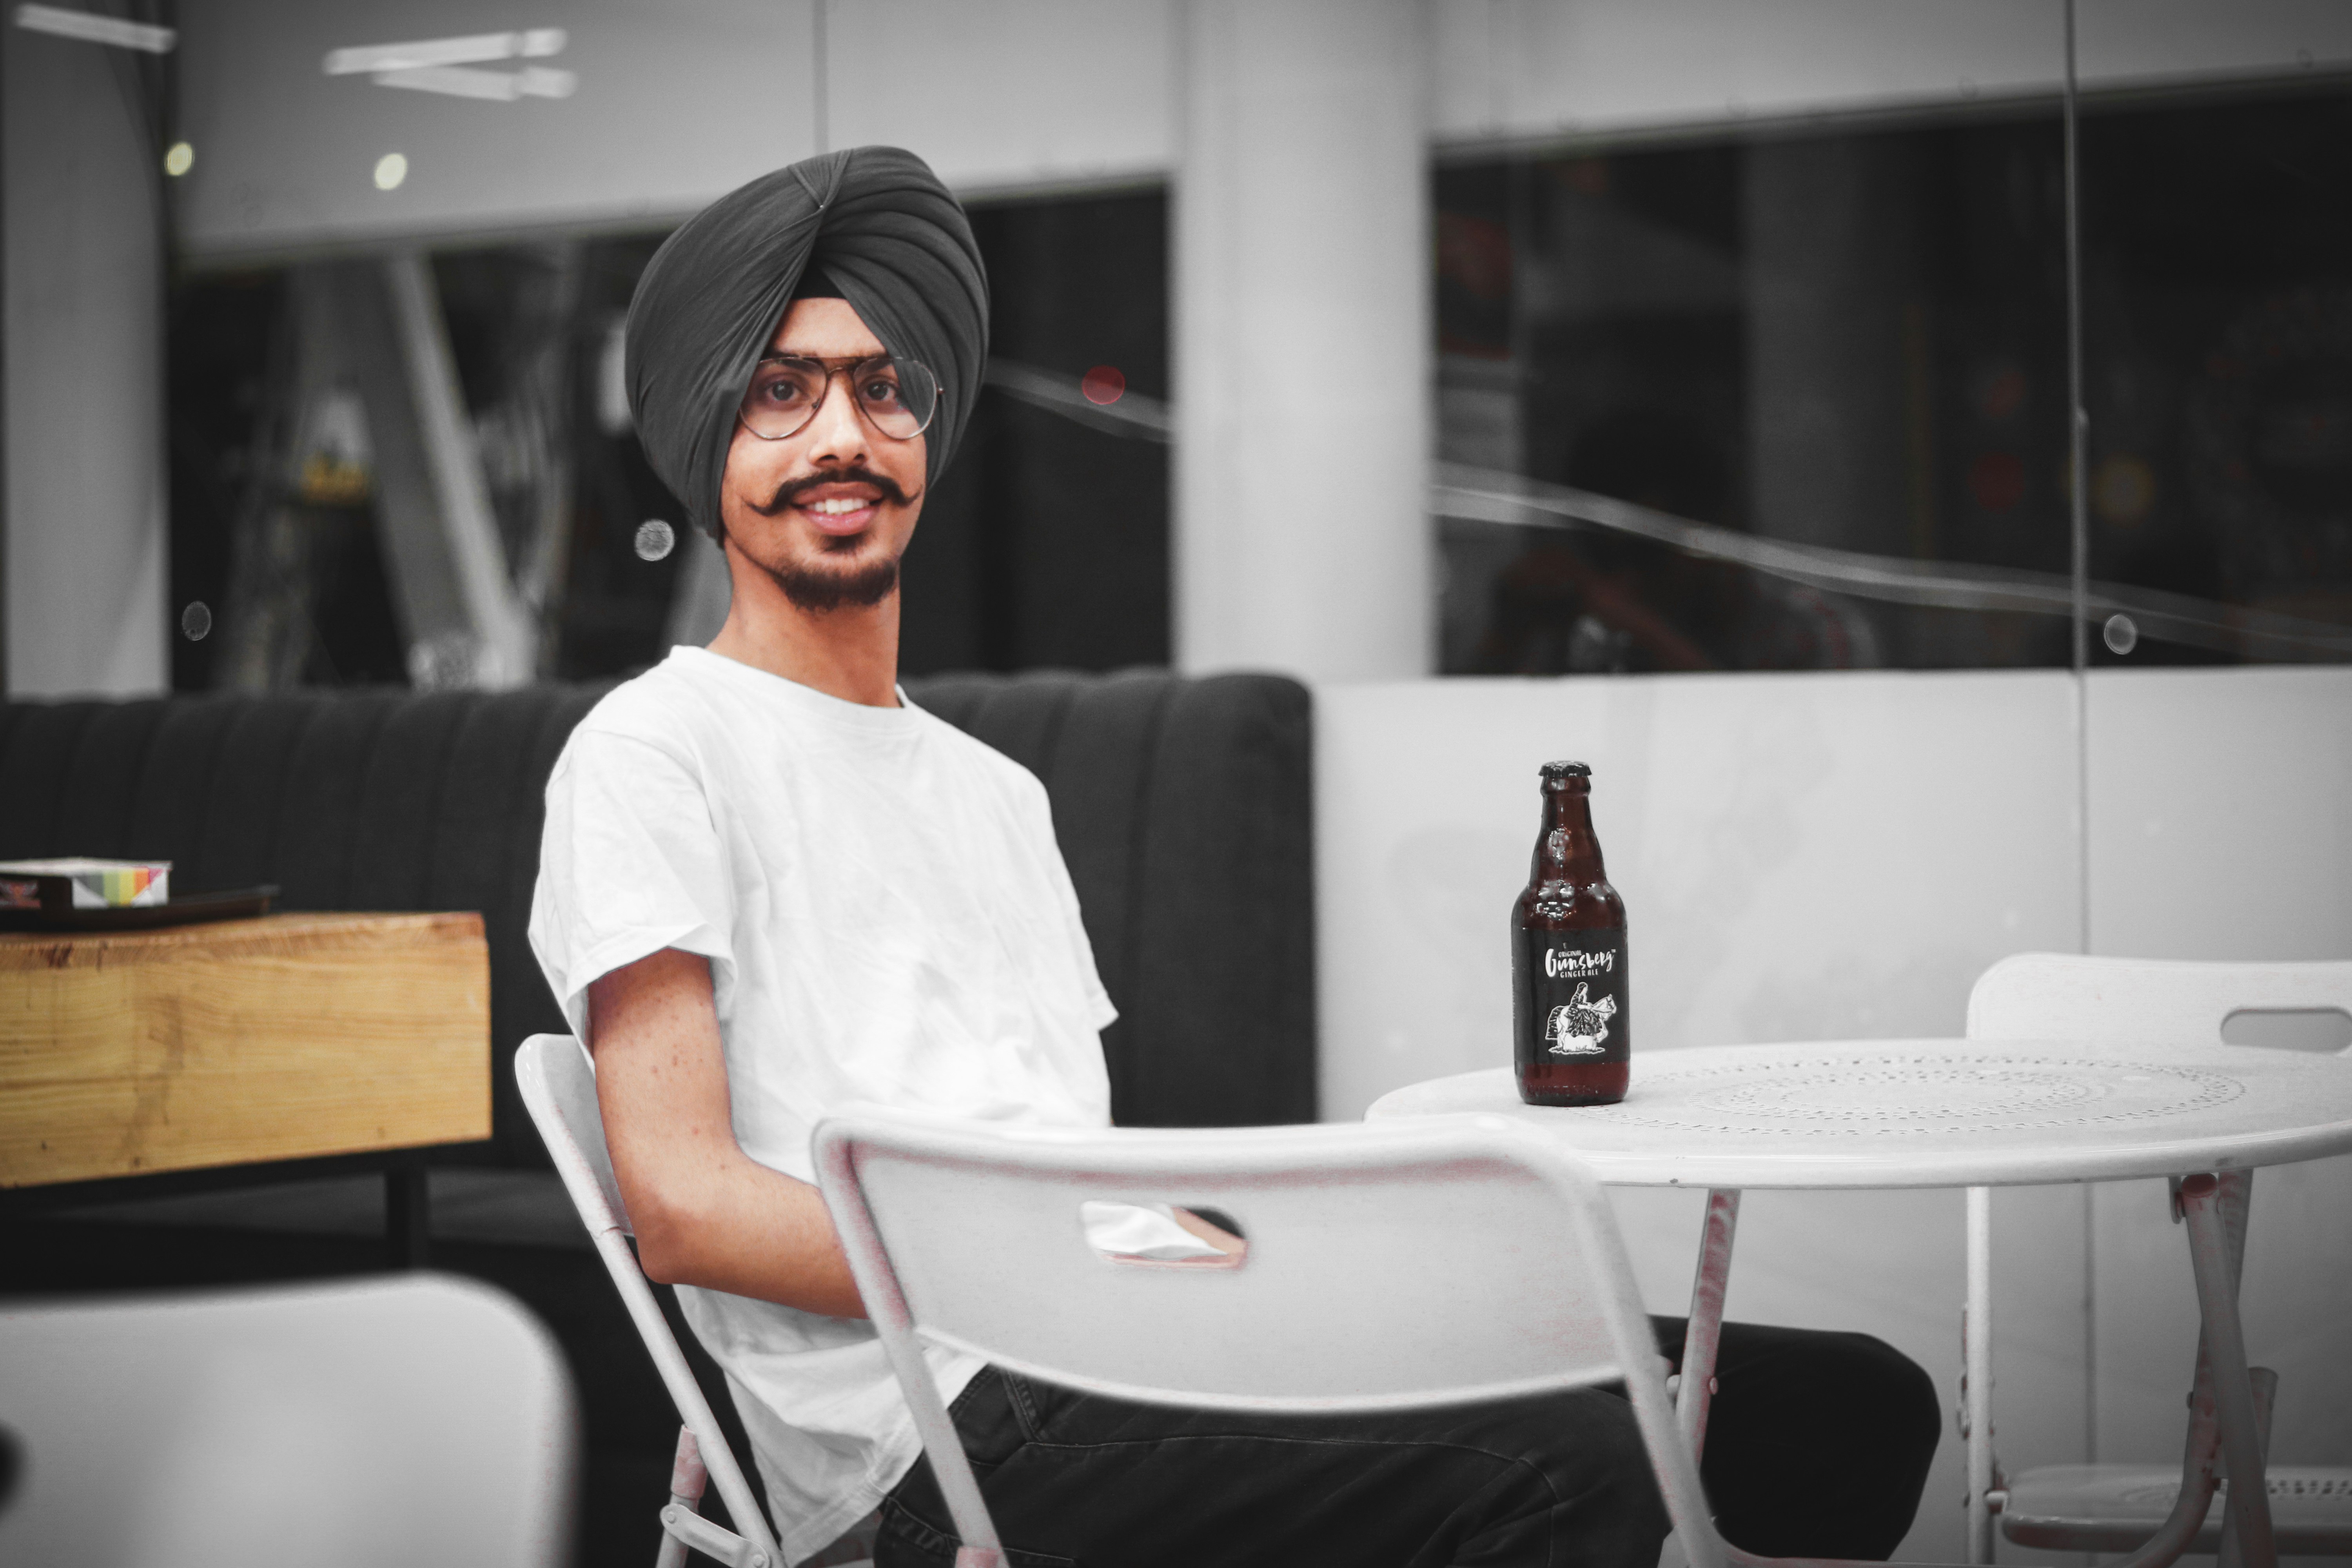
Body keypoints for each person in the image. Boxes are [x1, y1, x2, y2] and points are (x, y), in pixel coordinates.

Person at [530, 145, 1940, 1568]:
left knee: (1836, 1406)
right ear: (709, 439)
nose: (843, 431)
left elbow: (1061, 1162)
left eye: (880, 384)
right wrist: (1053, 1271)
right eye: (783, 391)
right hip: (938, 1440)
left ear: (926, 428)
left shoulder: (996, 794)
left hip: (1127, 1339)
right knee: (1560, 1473)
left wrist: (1245, 1257)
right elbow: (686, 1207)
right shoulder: (657, 751)